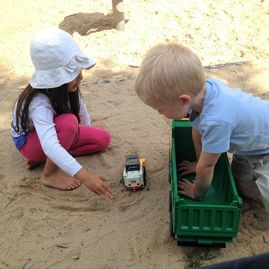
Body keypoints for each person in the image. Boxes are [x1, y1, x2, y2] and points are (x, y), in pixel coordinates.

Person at [135, 42, 269, 213]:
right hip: (251, 144)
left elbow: (207, 167)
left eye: (161, 109)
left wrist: (197, 192)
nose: (161, 114)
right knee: (241, 182)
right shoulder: (204, 92)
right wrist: (199, 161)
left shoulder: (216, 121)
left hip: (264, 151)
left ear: (183, 100)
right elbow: (197, 129)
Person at [11, 28, 113, 199]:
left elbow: (80, 107)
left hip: (49, 136)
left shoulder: (65, 88)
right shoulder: (39, 102)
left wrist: (86, 129)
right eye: (73, 74)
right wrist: (86, 177)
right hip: (29, 141)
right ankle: (49, 174)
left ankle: (49, 157)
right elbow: (51, 144)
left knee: (103, 138)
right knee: (69, 123)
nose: (80, 77)